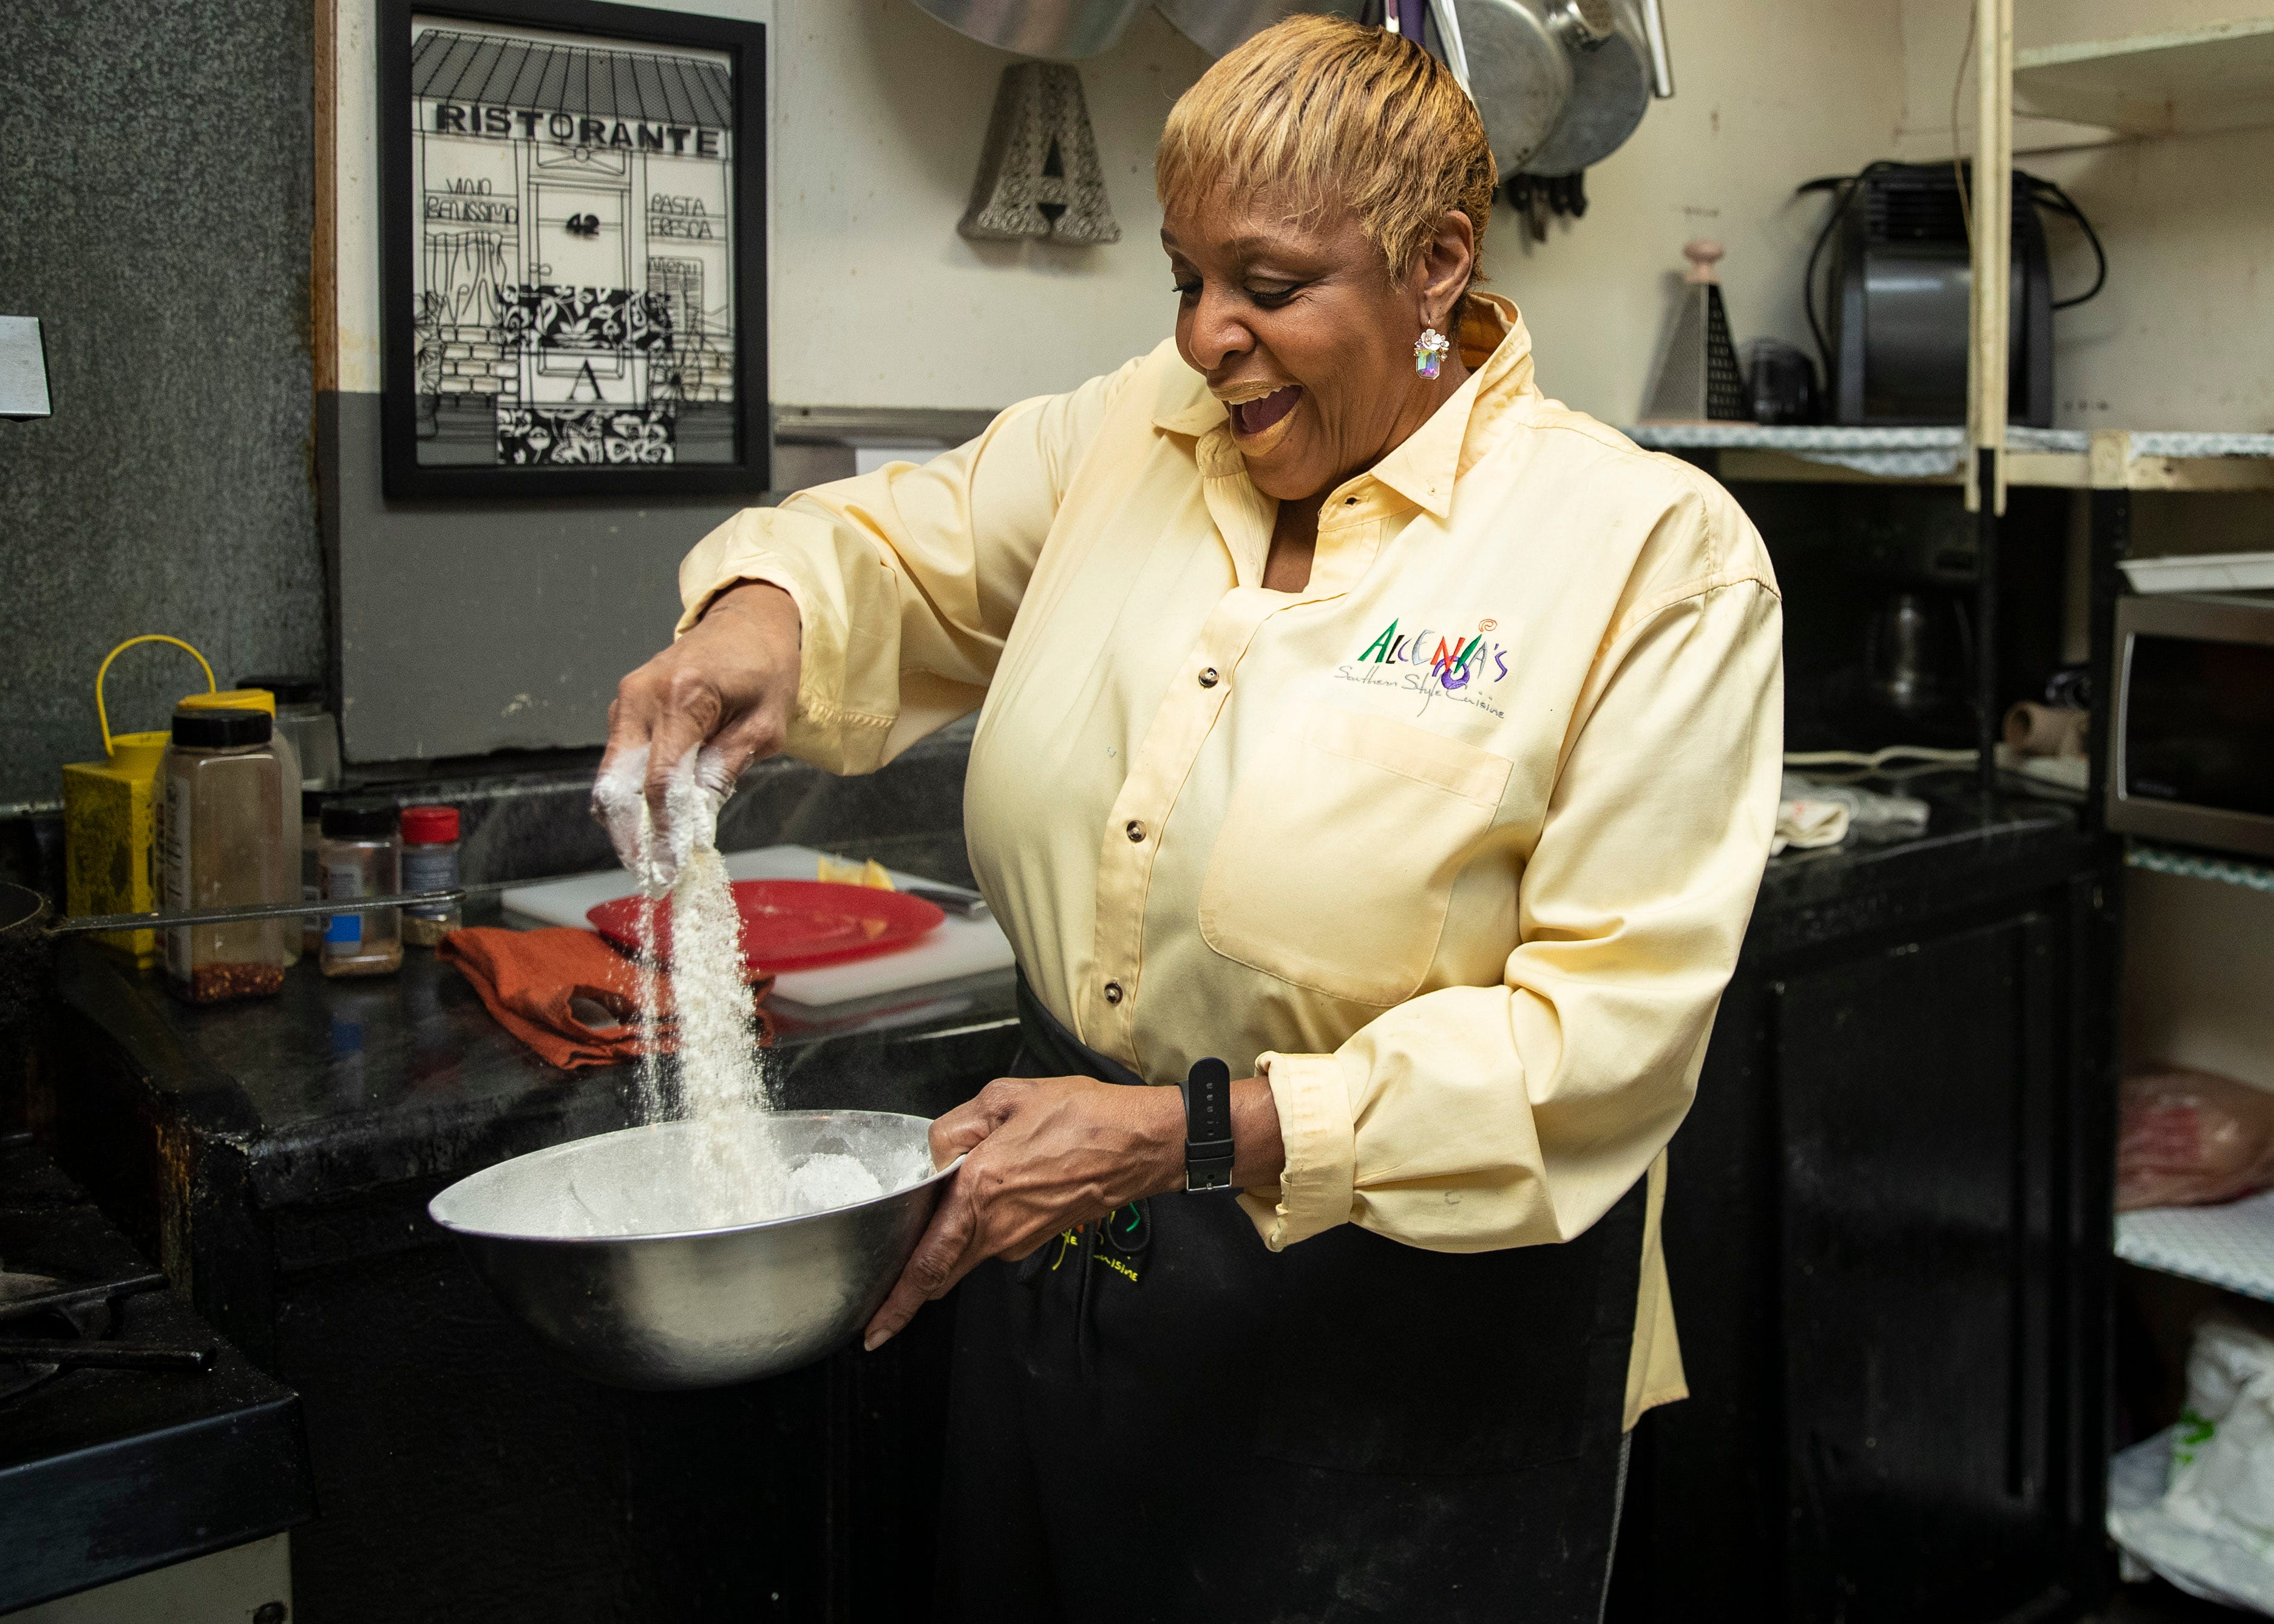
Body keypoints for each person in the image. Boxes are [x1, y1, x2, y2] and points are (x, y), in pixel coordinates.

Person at [603, 15, 1782, 1621]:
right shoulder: (1131, 434)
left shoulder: (1645, 553)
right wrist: (750, 619)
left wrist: (1192, 1137)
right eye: (1183, 278)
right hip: (1070, 1261)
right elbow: (891, 548)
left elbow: (1602, 1043)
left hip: (1412, 1337)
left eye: (1270, 285)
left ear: (1436, 265)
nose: (1208, 335)